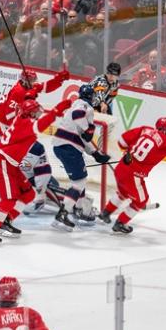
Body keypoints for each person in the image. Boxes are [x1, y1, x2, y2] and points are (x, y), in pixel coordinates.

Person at [0, 98, 72, 246]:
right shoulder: (25, 124)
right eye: (35, 112)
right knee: (8, 200)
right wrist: (56, 110)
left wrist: (57, 111)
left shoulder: (21, 119)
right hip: (4, 163)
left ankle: (6, 221)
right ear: (29, 113)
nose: (38, 114)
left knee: (28, 194)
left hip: (11, 164)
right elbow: (41, 125)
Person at [99, 118, 166, 233]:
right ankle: (120, 223)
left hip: (121, 167)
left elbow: (121, 142)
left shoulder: (145, 129)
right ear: (164, 130)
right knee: (141, 201)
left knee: (123, 193)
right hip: (133, 176)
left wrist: (128, 150)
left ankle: (105, 213)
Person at [52, 84, 110, 230]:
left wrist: (95, 153)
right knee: (79, 182)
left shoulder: (76, 104)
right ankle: (63, 213)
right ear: (92, 97)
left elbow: (83, 137)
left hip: (61, 146)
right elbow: (79, 117)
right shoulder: (84, 106)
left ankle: (79, 209)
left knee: (79, 180)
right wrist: (87, 128)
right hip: (69, 148)